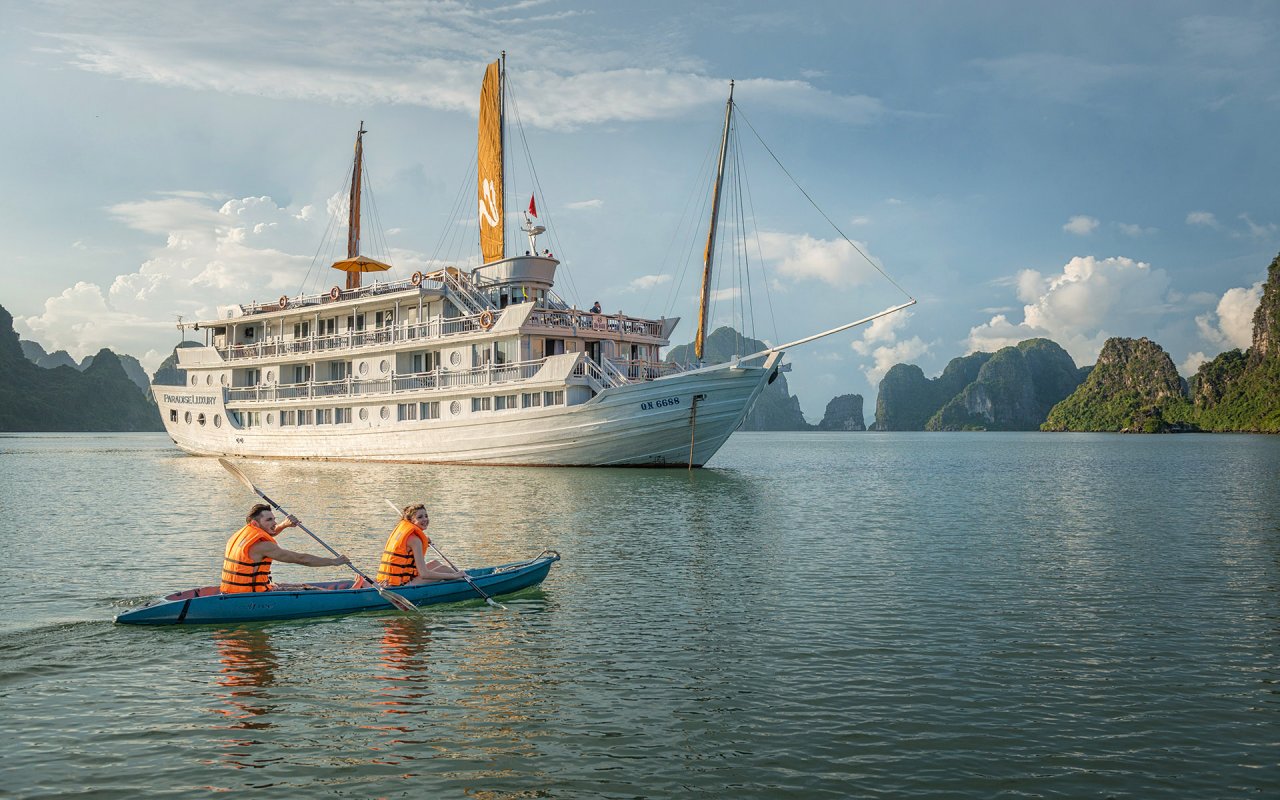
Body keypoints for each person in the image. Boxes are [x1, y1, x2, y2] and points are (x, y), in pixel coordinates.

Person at [220, 503, 350, 594]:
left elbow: (269, 532)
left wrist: (285, 525)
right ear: (255, 523)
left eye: (274, 519)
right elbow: (300, 559)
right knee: (313, 591)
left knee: (299, 586)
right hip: (251, 596)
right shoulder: (263, 546)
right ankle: (346, 598)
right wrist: (334, 562)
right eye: (269, 520)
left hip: (230, 591)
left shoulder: (242, 535)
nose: (274, 523)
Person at [376, 503, 466, 586]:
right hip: (400, 586)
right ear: (411, 521)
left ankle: (464, 578)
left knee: (435, 563)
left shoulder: (408, 535)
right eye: (420, 517)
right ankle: (467, 581)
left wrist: (424, 542)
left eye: (426, 516)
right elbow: (424, 574)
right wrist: (454, 576)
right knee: (444, 569)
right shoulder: (415, 540)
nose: (425, 519)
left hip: (389, 580)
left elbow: (406, 551)